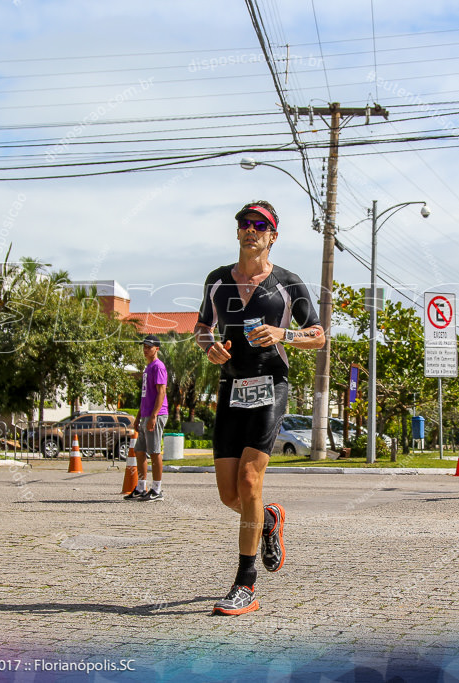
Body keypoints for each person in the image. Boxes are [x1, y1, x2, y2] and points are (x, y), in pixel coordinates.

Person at [194, 200, 325, 615]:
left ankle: (245, 584)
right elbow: (201, 329)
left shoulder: (288, 283)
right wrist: (209, 347)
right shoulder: (217, 281)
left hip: (270, 388)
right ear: (237, 233)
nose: (251, 230)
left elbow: (318, 335)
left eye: (260, 225)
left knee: (250, 481)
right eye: (245, 223)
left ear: (273, 236)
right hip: (231, 389)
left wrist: (283, 334)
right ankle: (269, 520)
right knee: (229, 495)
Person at [125, 334, 169, 502]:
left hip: (156, 415)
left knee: (154, 451)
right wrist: (138, 417)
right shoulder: (147, 368)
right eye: (144, 346)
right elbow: (145, 396)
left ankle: (157, 489)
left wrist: (154, 416)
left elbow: (161, 392)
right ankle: (141, 487)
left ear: (156, 349)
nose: (145, 349)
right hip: (145, 415)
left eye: (149, 347)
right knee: (139, 451)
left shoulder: (158, 366)